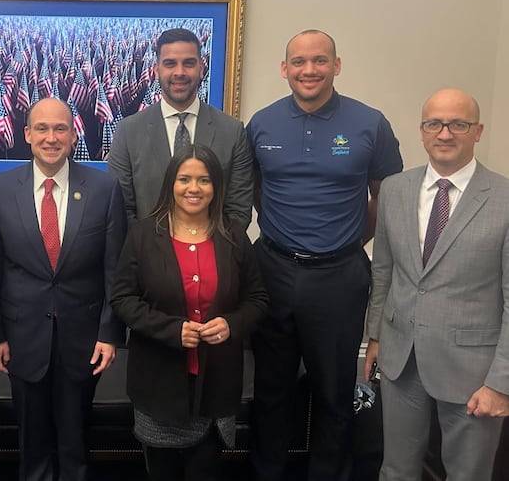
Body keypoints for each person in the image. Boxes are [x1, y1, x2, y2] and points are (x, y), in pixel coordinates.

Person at [246, 29, 403, 481]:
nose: (308, 70)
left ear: (336, 65)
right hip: (272, 271)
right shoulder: (262, 123)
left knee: (335, 395)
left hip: (340, 276)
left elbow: (386, 198)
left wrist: (347, 240)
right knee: (271, 391)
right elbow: (258, 190)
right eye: (298, 61)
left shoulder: (370, 123)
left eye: (319, 61)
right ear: (284, 69)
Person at [0, 98, 127, 481]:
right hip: (22, 335)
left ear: (74, 133)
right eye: (41, 128)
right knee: (33, 443)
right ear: (26, 135)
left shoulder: (103, 187)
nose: (51, 137)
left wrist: (110, 334)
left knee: (76, 441)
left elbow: (114, 271)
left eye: (60, 128)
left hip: (83, 338)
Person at [365, 89, 509, 480]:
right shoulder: (394, 189)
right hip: (401, 359)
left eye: (457, 124)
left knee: (468, 474)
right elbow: (384, 271)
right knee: (395, 470)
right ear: (422, 131)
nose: (444, 133)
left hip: (473, 371)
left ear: (477, 131)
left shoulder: (504, 198)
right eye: (434, 124)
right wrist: (376, 337)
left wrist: (502, 382)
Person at [111, 144, 268, 481]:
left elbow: (257, 299)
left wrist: (231, 324)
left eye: (204, 180)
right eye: (184, 179)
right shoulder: (142, 235)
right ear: (171, 183)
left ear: (217, 187)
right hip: (158, 382)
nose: (194, 188)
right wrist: (171, 329)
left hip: (216, 384)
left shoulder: (235, 237)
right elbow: (123, 299)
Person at [108, 27, 253, 229]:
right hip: (146, 256)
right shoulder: (128, 132)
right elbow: (121, 209)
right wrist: (151, 250)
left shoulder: (233, 132)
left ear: (201, 68)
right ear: (156, 70)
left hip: (213, 257)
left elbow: (238, 211)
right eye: (170, 64)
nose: (179, 72)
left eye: (189, 63)